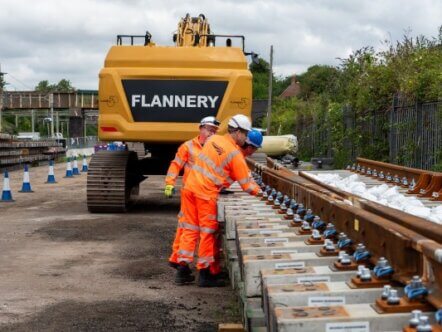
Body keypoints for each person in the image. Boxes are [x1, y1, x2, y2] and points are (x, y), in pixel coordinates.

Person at [175, 114, 261, 287]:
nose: (245, 138)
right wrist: (263, 193)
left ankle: (182, 270)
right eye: (244, 133)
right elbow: (248, 187)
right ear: (236, 132)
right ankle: (205, 275)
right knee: (207, 232)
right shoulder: (235, 154)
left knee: (190, 229)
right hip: (205, 194)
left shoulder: (213, 139)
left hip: (190, 188)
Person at [166, 116, 220, 273]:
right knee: (186, 226)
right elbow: (176, 165)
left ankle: (186, 262)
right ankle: (178, 259)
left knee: (198, 229)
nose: (211, 133)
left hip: (205, 195)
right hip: (189, 194)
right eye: (209, 129)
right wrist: (169, 183)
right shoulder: (188, 147)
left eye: (214, 131)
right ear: (201, 128)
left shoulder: (215, 148)